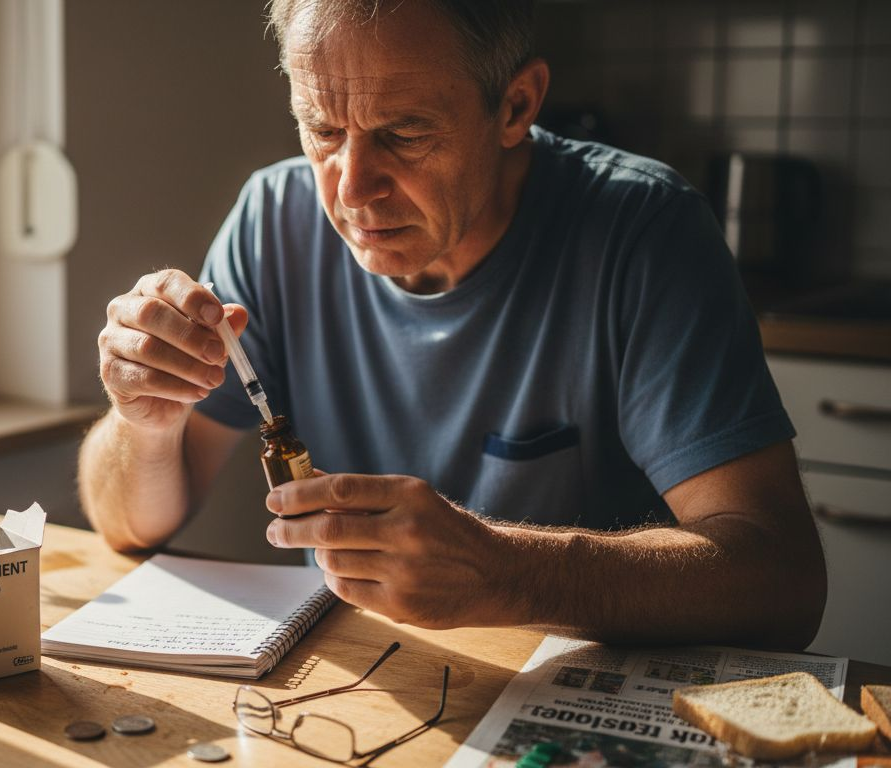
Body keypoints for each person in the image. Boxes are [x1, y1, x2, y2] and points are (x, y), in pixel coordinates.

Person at [79, 0, 825, 649]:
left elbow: (782, 581)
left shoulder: (642, 234)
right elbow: (129, 526)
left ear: (515, 106)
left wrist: (512, 574)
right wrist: (144, 421)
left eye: (404, 133)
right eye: (323, 128)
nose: (352, 188)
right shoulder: (273, 222)